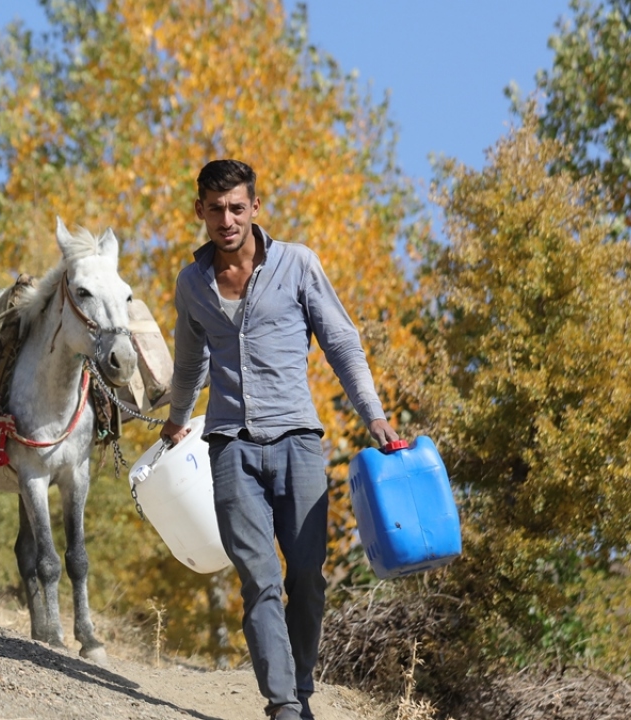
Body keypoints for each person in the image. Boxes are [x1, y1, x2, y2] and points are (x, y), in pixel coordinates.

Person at [161, 159, 398, 720]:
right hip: (230, 445)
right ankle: (284, 705)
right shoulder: (191, 284)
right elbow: (191, 360)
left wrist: (375, 416)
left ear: (254, 208)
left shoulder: (297, 265)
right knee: (260, 579)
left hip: (297, 442)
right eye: (215, 209)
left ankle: (304, 688)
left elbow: (341, 342)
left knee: (308, 580)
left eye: (237, 207)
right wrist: (176, 417)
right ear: (200, 210)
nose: (226, 219)